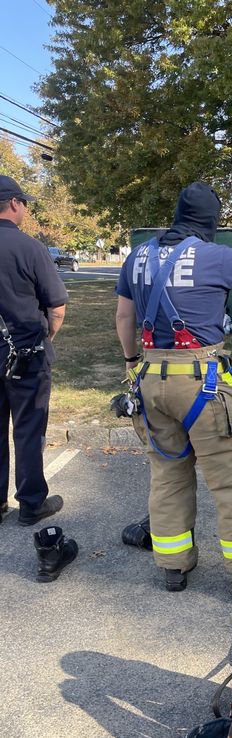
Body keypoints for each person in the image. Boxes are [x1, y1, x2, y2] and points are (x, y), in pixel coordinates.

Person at [115, 182, 232, 597]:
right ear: (211, 221)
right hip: (202, 384)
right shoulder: (214, 256)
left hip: (150, 381)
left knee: (168, 476)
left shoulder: (138, 256)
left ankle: (173, 568)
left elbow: (123, 315)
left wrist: (131, 363)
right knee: (230, 480)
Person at [0, 175, 76, 578]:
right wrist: (43, 337)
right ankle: (30, 503)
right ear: (13, 204)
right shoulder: (29, 247)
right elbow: (57, 306)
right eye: (24, 202)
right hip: (24, 352)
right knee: (28, 427)